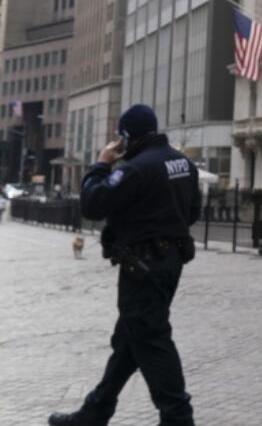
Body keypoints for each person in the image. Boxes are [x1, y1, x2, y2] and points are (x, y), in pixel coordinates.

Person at [49, 104, 200, 426]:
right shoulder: (183, 163)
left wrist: (101, 164)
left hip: (143, 265)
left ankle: (178, 418)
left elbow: (92, 204)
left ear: (126, 136)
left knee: (151, 338)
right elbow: (193, 212)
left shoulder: (134, 168)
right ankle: (95, 411)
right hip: (170, 261)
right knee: (130, 338)